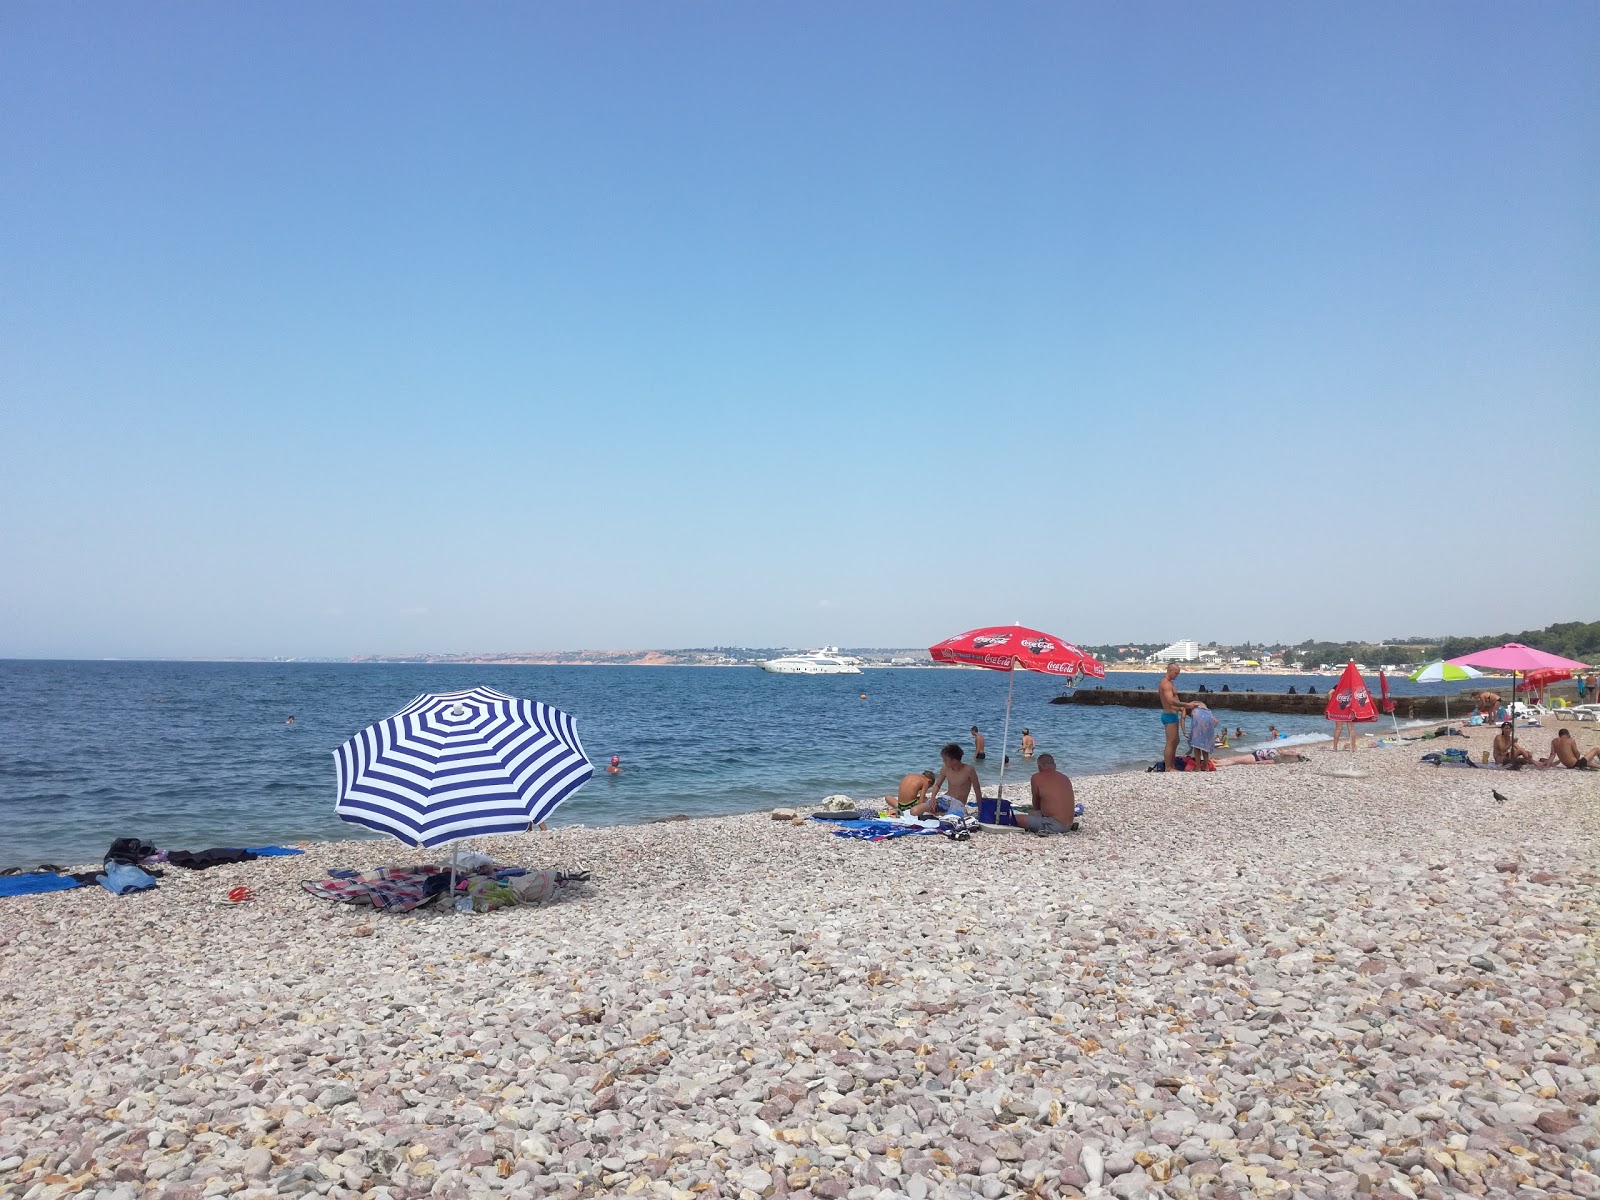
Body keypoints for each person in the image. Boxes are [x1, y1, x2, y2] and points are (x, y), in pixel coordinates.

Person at [1022, 754, 1077, 834]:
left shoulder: (1036, 777)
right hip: (1069, 823)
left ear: (1039, 767)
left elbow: (1037, 806)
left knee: (1015, 819)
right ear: (1054, 765)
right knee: (1032, 814)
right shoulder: (1065, 778)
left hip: (1054, 825)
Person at [1158, 664, 1198, 771]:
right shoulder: (1165, 684)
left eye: (1178, 673)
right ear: (1170, 670)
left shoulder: (1170, 683)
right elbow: (1170, 700)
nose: (1177, 675)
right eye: (1176, 673)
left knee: (1176, 741)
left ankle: (1172, 765)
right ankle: (1168, 768)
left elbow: (1174, 701)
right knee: (1170, 742)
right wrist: (1186, 705)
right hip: (1169, 716)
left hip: (1173, 714)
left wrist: (1181, 709)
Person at [929, 743, 983, 812]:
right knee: (915, 810)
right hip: (945, 799)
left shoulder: (969, 770)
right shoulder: (945, 769)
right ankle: (938, 813)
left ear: (954, 761)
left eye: (945, 760)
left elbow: (977, 790)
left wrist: (980, 809)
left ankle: (939, 814)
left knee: (947, 817)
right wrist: (933, 798)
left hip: (958, 803)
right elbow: (937, 785)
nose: (943, 761)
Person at [1188, 701, 1220, 769]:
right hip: (1207, 726)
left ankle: (1198, 767)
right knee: (1205, 747)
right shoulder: (1206, 711)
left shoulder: (1191, 708)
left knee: (1196, 746)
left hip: (1198, 722)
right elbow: (1216, 721)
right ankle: (1206, 766)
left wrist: (1184, 731)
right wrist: (1209, 730)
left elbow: (1182, 718)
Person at [1212, 748, 1310, 766]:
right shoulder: (1278, 751)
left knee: (1234, 761)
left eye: (1293, 752)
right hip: (1255, 755)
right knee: (1234, 759)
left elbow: (1268, 762)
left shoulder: (1278, 757)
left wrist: (1256, 763)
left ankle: (1218, 764)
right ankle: (1217, 762)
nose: (1292, 750)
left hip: (1255, 758)